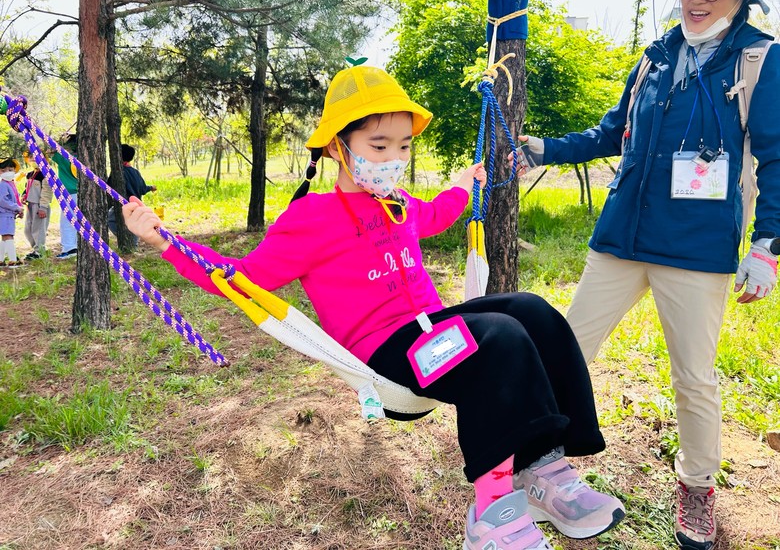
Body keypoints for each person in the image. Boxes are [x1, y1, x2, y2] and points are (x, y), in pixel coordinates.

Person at [123, 65, 625, 549]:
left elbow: (435, 215)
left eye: (403, 146)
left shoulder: (397, 202)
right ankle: (493, 517)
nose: (392, 158)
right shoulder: (311, 218)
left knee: (533, 311)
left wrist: (463, 186)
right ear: (338, 147)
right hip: (388, 353)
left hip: (434, 330)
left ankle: (544, 469)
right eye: (379, 146)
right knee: (500, 338)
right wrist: (165, 242)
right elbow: (243, 277)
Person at [514, 0, 779, 548]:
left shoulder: (760, 60)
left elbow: (777, 156)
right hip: (622, 238)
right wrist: (543, 149)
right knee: (566, 349)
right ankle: (538, 465)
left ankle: (697, 489)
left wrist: (767, 244)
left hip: (696, 248)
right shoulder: (655, 56)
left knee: (693, 377)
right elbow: (613, 133)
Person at [107, 143, 156, 246]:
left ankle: (127, 240)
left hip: (123, 206)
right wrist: (150, 188)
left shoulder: (117, 173)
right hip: (136, 206)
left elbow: (109, 188)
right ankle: (132, 244)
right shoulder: (135, 172)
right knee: (134, 224)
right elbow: (142, 189)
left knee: (110, 219)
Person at [51, 133, 79, 259]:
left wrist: (60, 141)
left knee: (67, 222)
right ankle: (75, 245)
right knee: (78, 220)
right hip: (81, 193)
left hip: (69, 194)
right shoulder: (82, 159)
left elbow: (51, 149)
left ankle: (70, 248)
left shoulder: (64, 158)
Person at [21, 152, 53, 260]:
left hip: (39, 205)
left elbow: (47, 192)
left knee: (38, 229)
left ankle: (39, 251)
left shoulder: (45, 174)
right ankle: (36, 249)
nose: (33, 159)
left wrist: (43, 207)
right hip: (30, 204)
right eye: (31, 157)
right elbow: (27, 187)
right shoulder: (30, 174)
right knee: (27, 230)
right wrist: (24, 195)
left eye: (36, 157)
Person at [0, 158, 24, 268]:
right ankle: (13, 260)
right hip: (5, 214)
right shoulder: (3, 185)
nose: (7, 172)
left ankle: (1, 260)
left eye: (10, 169)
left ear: (15, 170)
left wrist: (18, 209)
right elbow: (3, 200)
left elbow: (15, 199)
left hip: (8, 214)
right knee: (8, 236)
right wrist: (16, 208)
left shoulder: (11, 184)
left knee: (5, 237)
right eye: (3, 170)